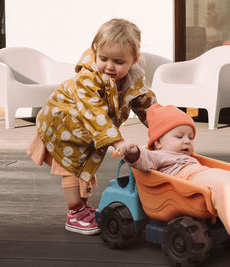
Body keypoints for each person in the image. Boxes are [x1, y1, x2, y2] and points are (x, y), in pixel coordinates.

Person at [116, 104, 230, 265]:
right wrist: (133, 151)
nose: (187, 140)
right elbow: (141, 160)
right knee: (224, 182)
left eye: (190, 137)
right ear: (158, 142)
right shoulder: (157, 155)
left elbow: (213, 172)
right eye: (179, 136)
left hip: (212, 176)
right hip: (190, 183)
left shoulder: (190, 157)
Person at [27, 18, 156, 235]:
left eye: (118, 61)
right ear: (95, 50)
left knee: (84, 164)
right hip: (63, 125)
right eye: (103, 58)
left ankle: (82, 207)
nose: (109, 66)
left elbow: (146, 104)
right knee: (71, 167)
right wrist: (118, 141)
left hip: (87, 129)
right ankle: (74, 213)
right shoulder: (87, 79)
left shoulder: (133, 80)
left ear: (133, 61)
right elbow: (94, 112)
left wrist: (164, 126)